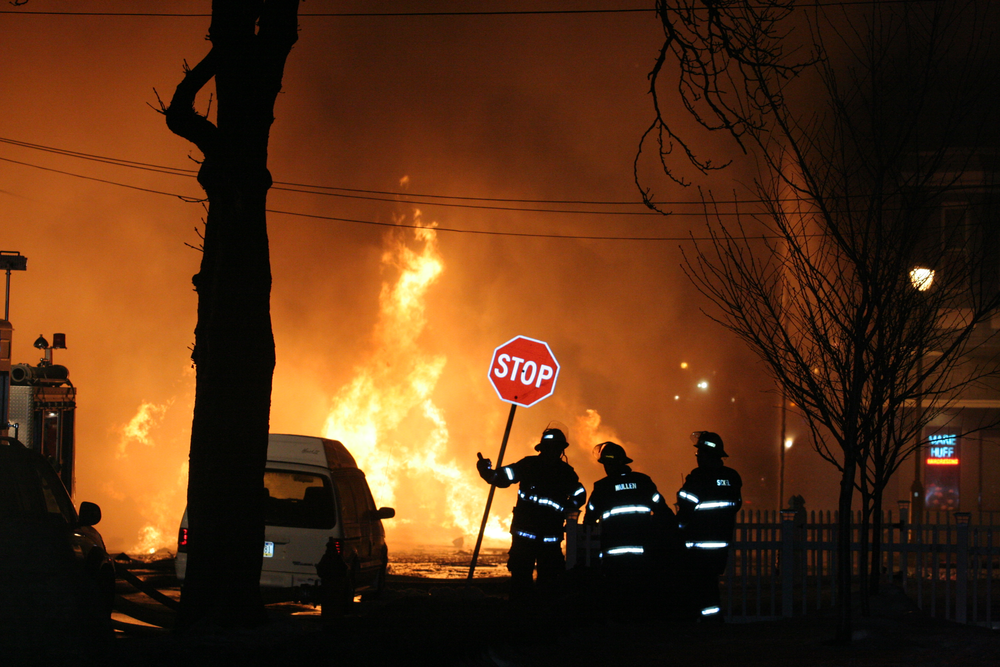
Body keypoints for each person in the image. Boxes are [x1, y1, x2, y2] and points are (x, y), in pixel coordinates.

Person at [476, 423, 587, 600]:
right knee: (530, 584)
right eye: (551, 448)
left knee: (543, 585)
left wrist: (570, 505)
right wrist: (486, 471)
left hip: (540, 538)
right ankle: (528, 613)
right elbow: (500, 478)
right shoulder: (536, 466)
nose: (553, 452)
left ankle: (532, 613)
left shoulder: (559, 471)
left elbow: (579, 493)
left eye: (556, 448)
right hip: (534, 537)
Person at [676, 431, 742, 620]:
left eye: (699, 453)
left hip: (698, 545)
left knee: (698, 585)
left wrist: (675, 529)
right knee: (709, 583)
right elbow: (735, 505)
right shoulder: (732, 477)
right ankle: (710, 619)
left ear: (706, 455)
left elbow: (685, 510)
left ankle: (703, 621)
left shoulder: (698, 478)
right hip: (721, 544)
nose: (697, 457)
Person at [583, 442, 673, 569]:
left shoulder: (602, 487)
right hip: (643, 556)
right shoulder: (643, 482)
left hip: (614, 559)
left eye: (607, 464)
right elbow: (663, 512)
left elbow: (589, 519)